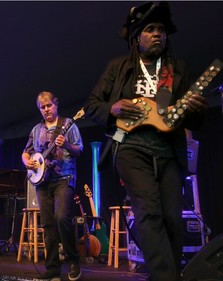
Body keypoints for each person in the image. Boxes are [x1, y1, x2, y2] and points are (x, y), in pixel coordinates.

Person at [84, 2, 209, 281]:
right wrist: (113, 108)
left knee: (172, 220)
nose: (157, 35)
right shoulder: (119, 67)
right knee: (148, 213)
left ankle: (165, 274)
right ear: (136, 37)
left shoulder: (177, 69)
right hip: (130, 147)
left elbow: (190, 120)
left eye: (161, 30)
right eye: (150, 29)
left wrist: (197, 112)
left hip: (169, 151)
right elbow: (92, 105)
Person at [22, 91, 83, 281]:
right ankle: (53, 270)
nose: (46, 109)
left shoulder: (68, 125)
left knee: (61, 217)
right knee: (48, 225)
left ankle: (73, 260)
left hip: (64, 178)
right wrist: (27, 162)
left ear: (56, 105)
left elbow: (79, 150)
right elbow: (26, 152)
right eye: (42, 107)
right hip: (42, 181)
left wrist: (66, 145)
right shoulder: (36, 129)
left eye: (49, 105)